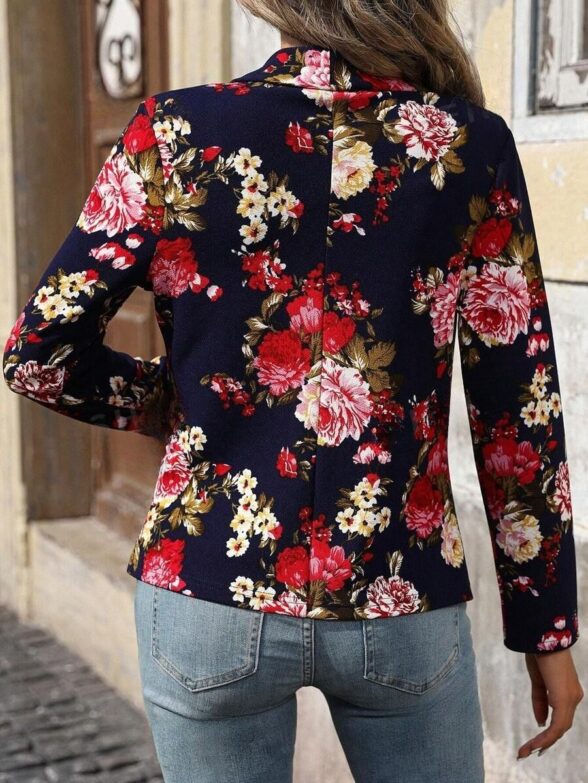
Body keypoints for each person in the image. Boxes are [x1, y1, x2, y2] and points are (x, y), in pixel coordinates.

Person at [2, 0, 584, 781]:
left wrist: (170, 403)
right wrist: (546, 625)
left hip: (206, 577)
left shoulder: (173, 132)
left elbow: (38, 354)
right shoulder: (467, 144)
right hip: (398, 584)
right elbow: (518, 408)